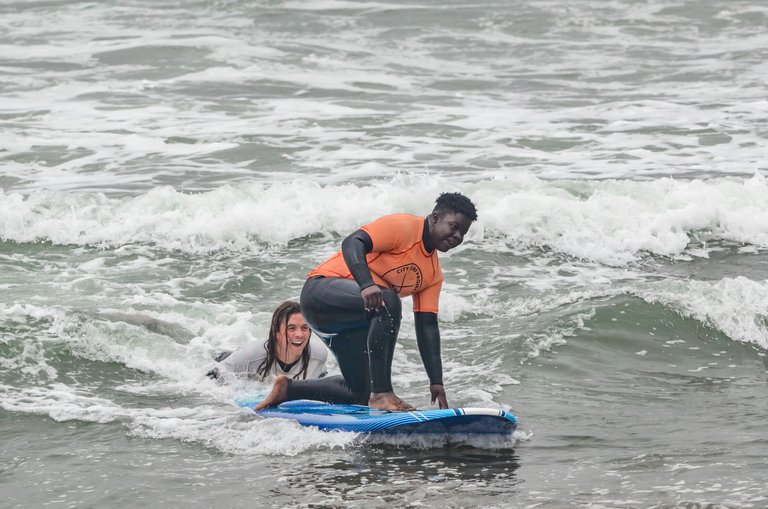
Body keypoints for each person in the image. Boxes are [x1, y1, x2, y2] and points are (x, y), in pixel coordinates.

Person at [256, 192, 477, 411]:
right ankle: (382, 394)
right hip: (320, 292)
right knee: (387, 301)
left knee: (359, 393)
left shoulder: (433, 274)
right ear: (435, 217)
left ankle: (288, 390)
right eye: (453, 226)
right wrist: (366, 284)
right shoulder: (405, 226)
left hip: (350, 319)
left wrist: (436, 381)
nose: (457, 236)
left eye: (463, 233)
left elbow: (427, 326)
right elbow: (353, 242)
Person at [208, 301, 327, 382]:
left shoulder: (319, 355)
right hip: (235, 361)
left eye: (305, 328)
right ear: (276, 332)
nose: (299, 334)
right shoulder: (249, 356)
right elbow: (213, 377)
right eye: (291, 328)